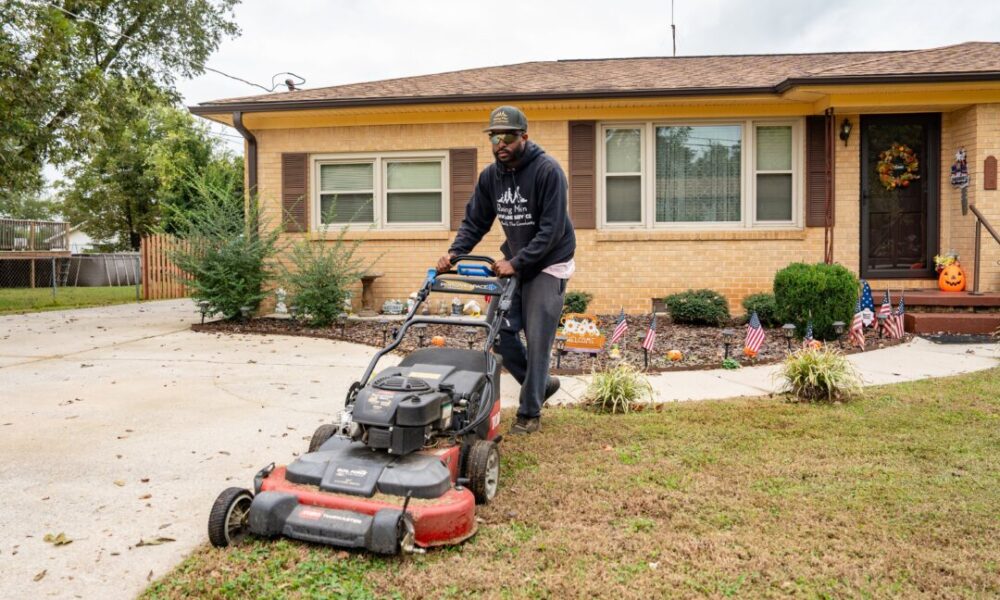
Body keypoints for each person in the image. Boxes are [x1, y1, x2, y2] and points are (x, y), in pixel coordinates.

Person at [437, 106, 576, 435]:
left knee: (538, 339)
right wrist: (455, 252)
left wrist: (516, 262)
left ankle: (529, 414)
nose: (500, 143)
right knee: (499, 333)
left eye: (508, 137)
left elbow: (552, 230)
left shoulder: (547, 171)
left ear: (524, 136)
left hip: (550, 262)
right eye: (494, 137)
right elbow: (476, 220)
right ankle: (540, 385)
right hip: (516, 261)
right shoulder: (491, 176)